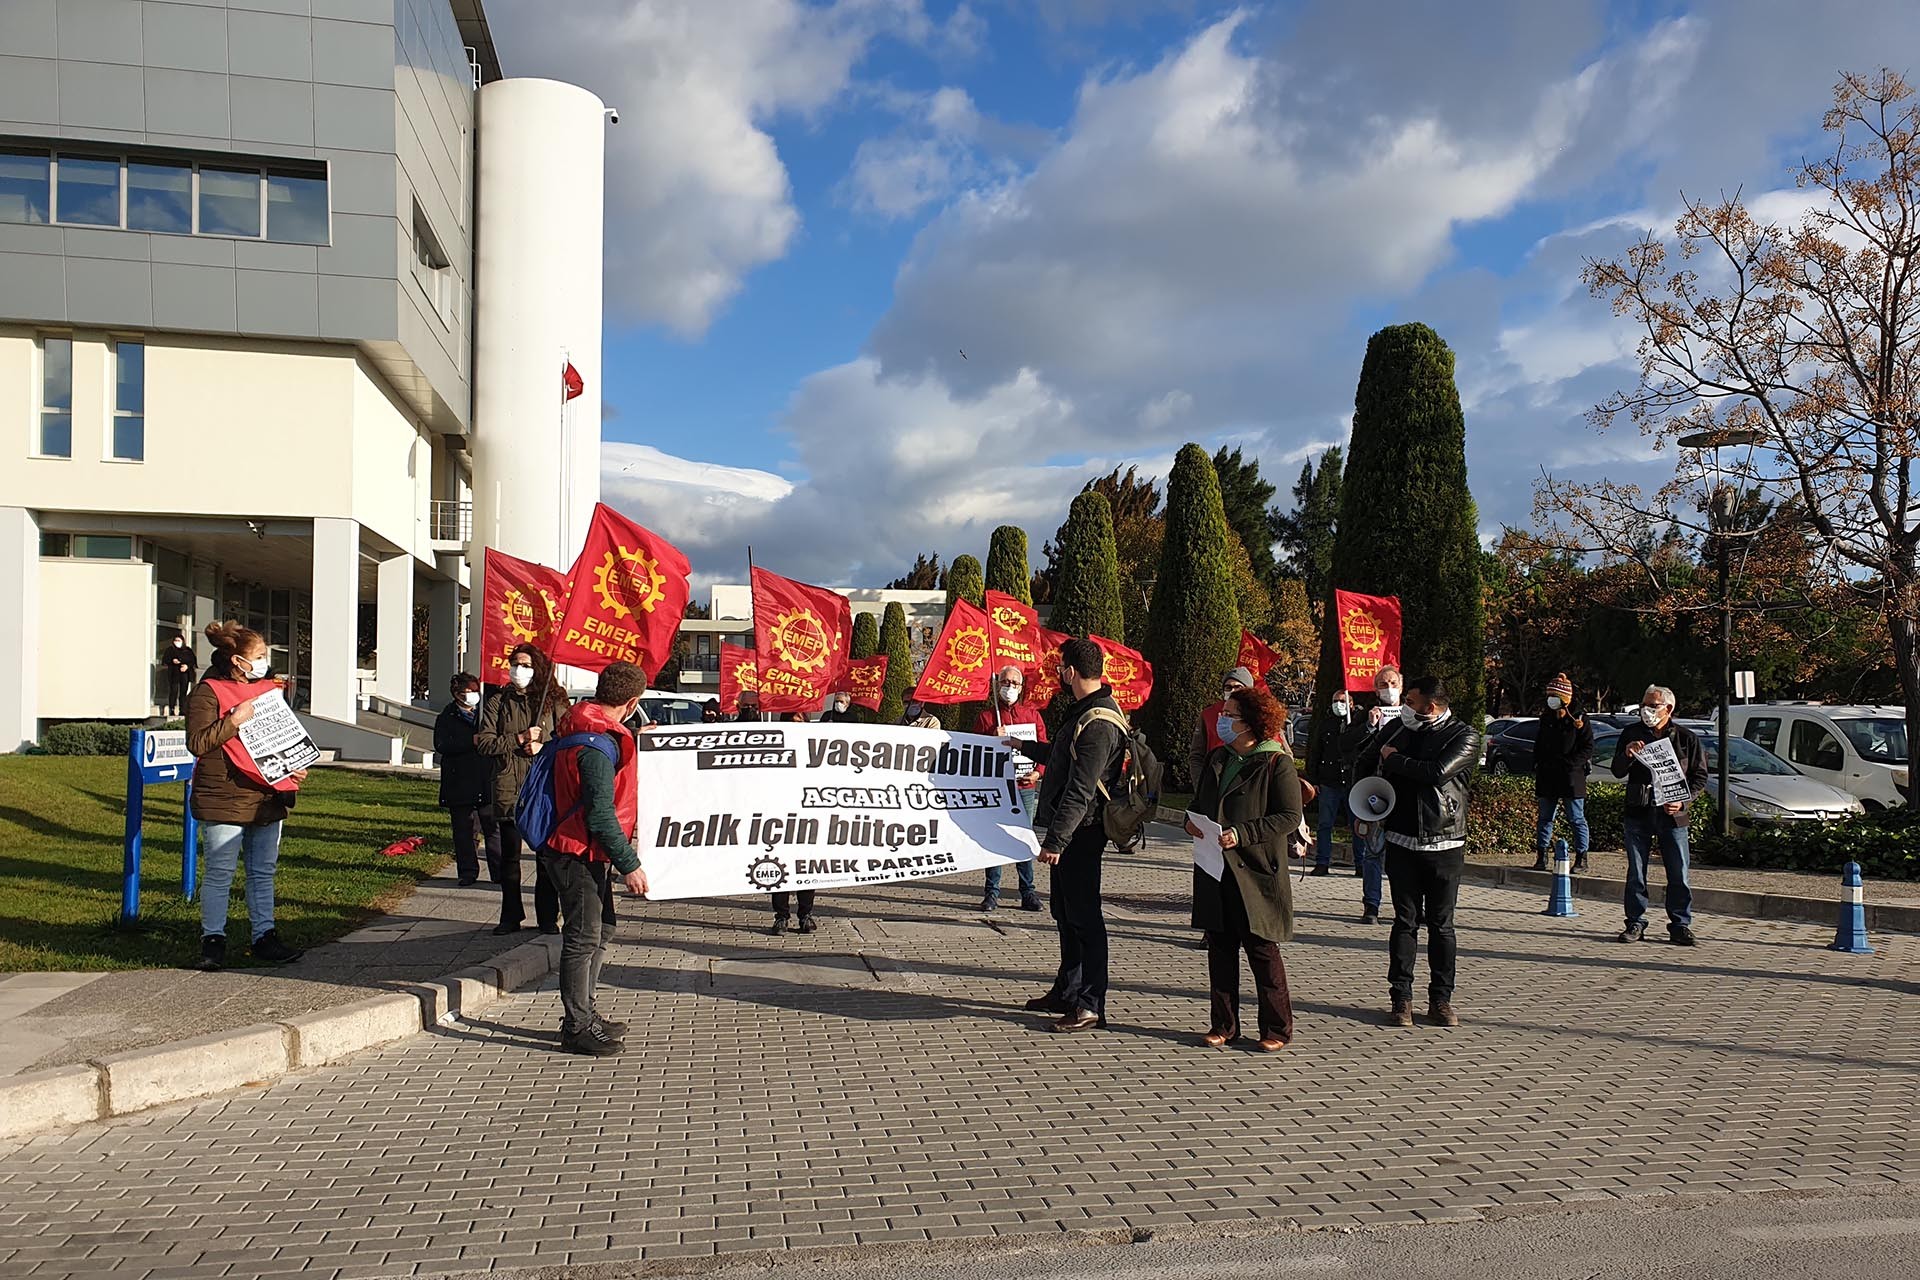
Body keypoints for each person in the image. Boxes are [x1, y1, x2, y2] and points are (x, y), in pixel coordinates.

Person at [1007, 637, 1127, 1032]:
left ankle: (1091, 1004)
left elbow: (1082, 788)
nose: (1059, 675)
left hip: (1083, 833)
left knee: (1085, 919)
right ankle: (1067, 990)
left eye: (1061, 669)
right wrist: (1023, 746)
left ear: (1071, 672)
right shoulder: (1083, 712)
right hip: (1071, 830)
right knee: (1065, 913)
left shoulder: (1099, 722)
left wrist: (1056, 841)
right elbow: (1061, 756)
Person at [536, 660, 650, 1056]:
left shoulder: (583, 726)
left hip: (581, 850)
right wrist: (630, 865)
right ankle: (576, 1027)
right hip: (576, 852)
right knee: (583, 938)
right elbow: (599, 815)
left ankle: (586, 1012)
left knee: (603, 930)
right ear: (632, 701)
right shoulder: (595, 747)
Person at [1187, 684, 1304, 1051]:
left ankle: (1277, 1028)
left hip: (1254, 869)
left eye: (1230, 715)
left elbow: (1289, 815)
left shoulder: (1275, 762)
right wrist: (1191, 823)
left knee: (1262, 950)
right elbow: (1200, 802)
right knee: (1220, 949)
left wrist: (1243, 833)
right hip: (1215, 866)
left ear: (1251, 723)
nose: (1222, 720)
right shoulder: (1218, 757)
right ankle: (1223, 1025)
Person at [184, 620, 306, 970]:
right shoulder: (208, 692)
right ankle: (213, 940)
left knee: (262, 870)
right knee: (220, 871)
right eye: (259, 656)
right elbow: (197, 742)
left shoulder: (268, 690)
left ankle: (264, 936)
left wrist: (294, 765)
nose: (265, 661)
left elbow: (281, 738)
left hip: (266, 793)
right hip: (226, 793)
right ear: (237, 661)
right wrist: (234, 720)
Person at [1358, 675, 1478, 1029]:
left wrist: (1394, 761)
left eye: (1410, 701)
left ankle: (1441, 1000)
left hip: (1444, 842)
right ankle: (1401, 999)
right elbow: (1363, 759)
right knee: (1404, 922)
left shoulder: (1464, 735)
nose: (1404, 706)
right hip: (1401, 839)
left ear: (1431, 706)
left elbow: (1436, 773)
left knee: (1441, 925)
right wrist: (1364, 802)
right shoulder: (1397, 729)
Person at [476, 643, 566, 936]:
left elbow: (567, 741)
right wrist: (518, 738)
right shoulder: (497, 701)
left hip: (542, 789)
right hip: (508, 787)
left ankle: (548, 916)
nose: (519, 670)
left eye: (525, 664)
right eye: (515, 663)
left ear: (537, 668)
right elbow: (485, 742)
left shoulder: (554, 700)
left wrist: (543, 747)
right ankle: (510, 916)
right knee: (510, 859)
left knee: (544, 858)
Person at [1611, 685, 1709, 946]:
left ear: (1668, 709)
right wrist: (1627, 754)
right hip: (1638, 812)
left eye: (1653, 706)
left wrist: (1683, 800)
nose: (1647, 711)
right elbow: (1617, 770)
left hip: (1672, 816)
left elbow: (1699, 777)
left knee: (1679, 873)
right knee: (1636, 872)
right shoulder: (1631, 733)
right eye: (1644, 704)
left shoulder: (1686, 738)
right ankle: (1635, 922)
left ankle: (1680, 924)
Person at [974, 664, 1046, 913]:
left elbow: (1045, 750)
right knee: (995, 839)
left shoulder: (1032, 715)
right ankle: (991, 893)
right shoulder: (986, 718)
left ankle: (1028, 893)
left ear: (1022, 687)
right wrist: (991, 739)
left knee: (1023, 837)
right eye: (1005, 682)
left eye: (1015, 683)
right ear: (997, 685)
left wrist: (1038, 773)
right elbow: (975, 755)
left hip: (1025, 788)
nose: (1010, 687)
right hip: (997, 789)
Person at [1310, 687, 1378, 909]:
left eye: (1342, 700)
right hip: (1329, 781)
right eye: (1334, 700)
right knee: (1324, 824)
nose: (1337, 704)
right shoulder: (1327, 723)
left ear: (1350, 703)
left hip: (1351, 780)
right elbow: (1315, 751)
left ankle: (1360, 864)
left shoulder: (1357, 722)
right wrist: (1314, 779)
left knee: (1357, 825)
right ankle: (1322, 862)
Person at [434, 673, 494, 887]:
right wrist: (470, 741)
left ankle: (498, 872)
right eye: (467, 693)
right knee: (464, 832)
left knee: (493, 829)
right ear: (457, 695)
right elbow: (442, 745)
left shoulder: (487, 713)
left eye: (474, 691)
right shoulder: (446, 717)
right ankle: (467, 872)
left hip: (486, 779)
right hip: (459, 781)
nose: (471, 696)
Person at [1532, 673, 1594, 873]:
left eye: (1555, 697)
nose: (1551, 701)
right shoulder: (1546, 718)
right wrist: (1538, 764)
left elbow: (1587, 747)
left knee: (1576, 818)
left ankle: (1582, 857)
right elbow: (1539, 744)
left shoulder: (1580, 719)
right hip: (1547, 775)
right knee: (1545, 818)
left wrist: (1570, 764)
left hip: (1571, 776)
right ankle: (1541, 856)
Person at [1187, 666, 1255, 794]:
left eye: (1238, 687)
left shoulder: (1259, 714)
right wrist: (1201, 786)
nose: (1232, 691)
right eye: (1228, 687)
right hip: (1214, 782)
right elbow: (1196, 755)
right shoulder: (1208, 714)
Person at [159, 633, 194, 717]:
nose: (177, 642)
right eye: (175, 640)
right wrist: (172, 661)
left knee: (183, 692)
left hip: (184, 674)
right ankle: (172, 709)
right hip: (174, 674)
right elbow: (165, 660)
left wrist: (186, 666)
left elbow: (192, 661)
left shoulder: (188, 650)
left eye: (179, 640)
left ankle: (182, 709)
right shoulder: (170, 650)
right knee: (173, 691)